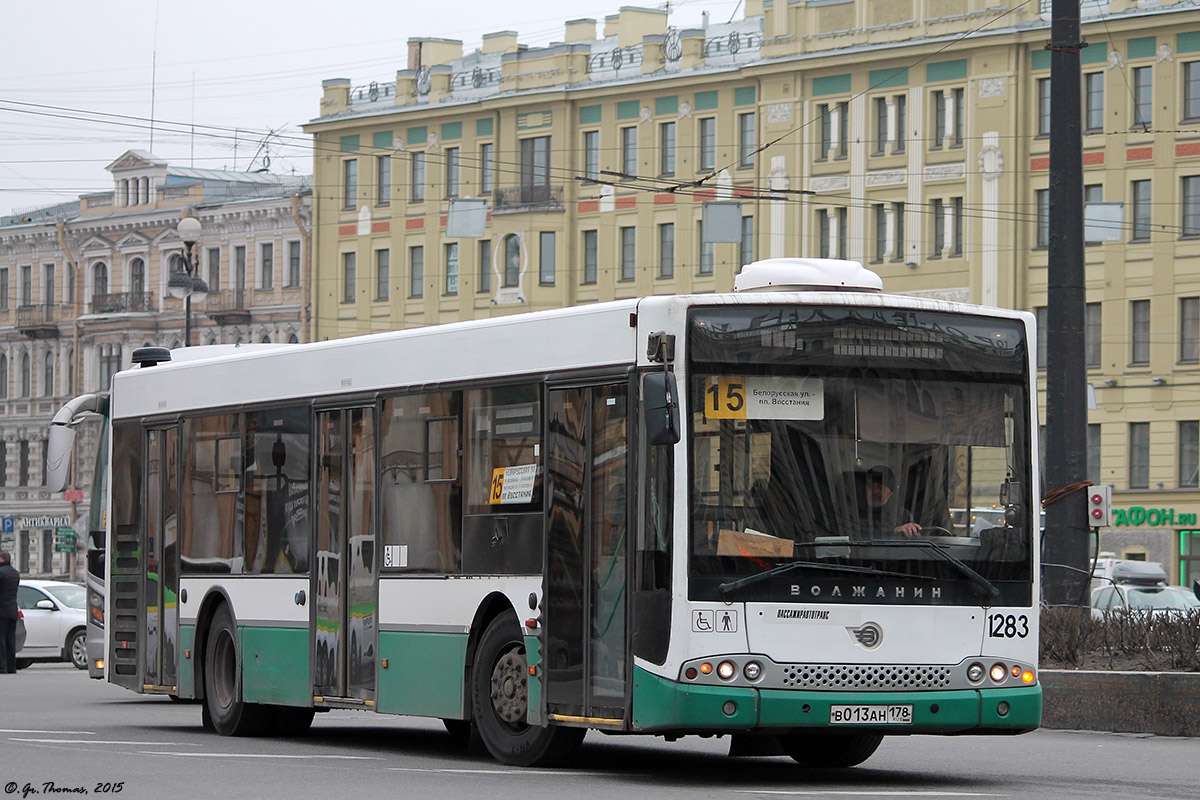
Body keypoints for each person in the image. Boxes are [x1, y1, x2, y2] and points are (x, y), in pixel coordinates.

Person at [858, 466, 922, 538]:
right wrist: (894, 531)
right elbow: (857, 536)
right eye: (870, 486)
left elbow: (916, 541)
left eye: (880, 487)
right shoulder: (855, 513)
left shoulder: (904, 515)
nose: (875, 491)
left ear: (891, 491)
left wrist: (911, 530)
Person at [0, 550, 19, 674]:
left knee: (1, 639)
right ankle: (12, 667)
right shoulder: (15, 573)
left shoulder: (1, 572)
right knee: (11, 639)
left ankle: (2, 667)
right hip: (13, 609)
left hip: (1, 611)